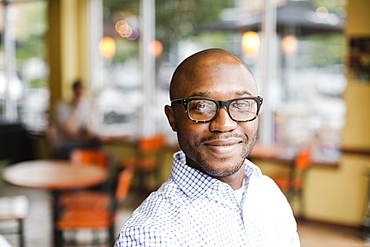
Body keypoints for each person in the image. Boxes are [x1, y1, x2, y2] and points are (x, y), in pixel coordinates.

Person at [115, 48, 299, 246]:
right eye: (202, 106)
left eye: (241, 103)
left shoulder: (268, 192)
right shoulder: (150, 235)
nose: (224, 124)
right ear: (173, 118)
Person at [50, 79, 98, 159]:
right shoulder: (61, 107)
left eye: (82, 89)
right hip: (66, 145)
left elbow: (90, 133)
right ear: (73, 89)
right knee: (75, 156)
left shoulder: (86, 107)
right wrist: (76, 109)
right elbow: (69, 131)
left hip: (82, 144)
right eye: (78, 89)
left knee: (101, 153)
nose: (80, 92)